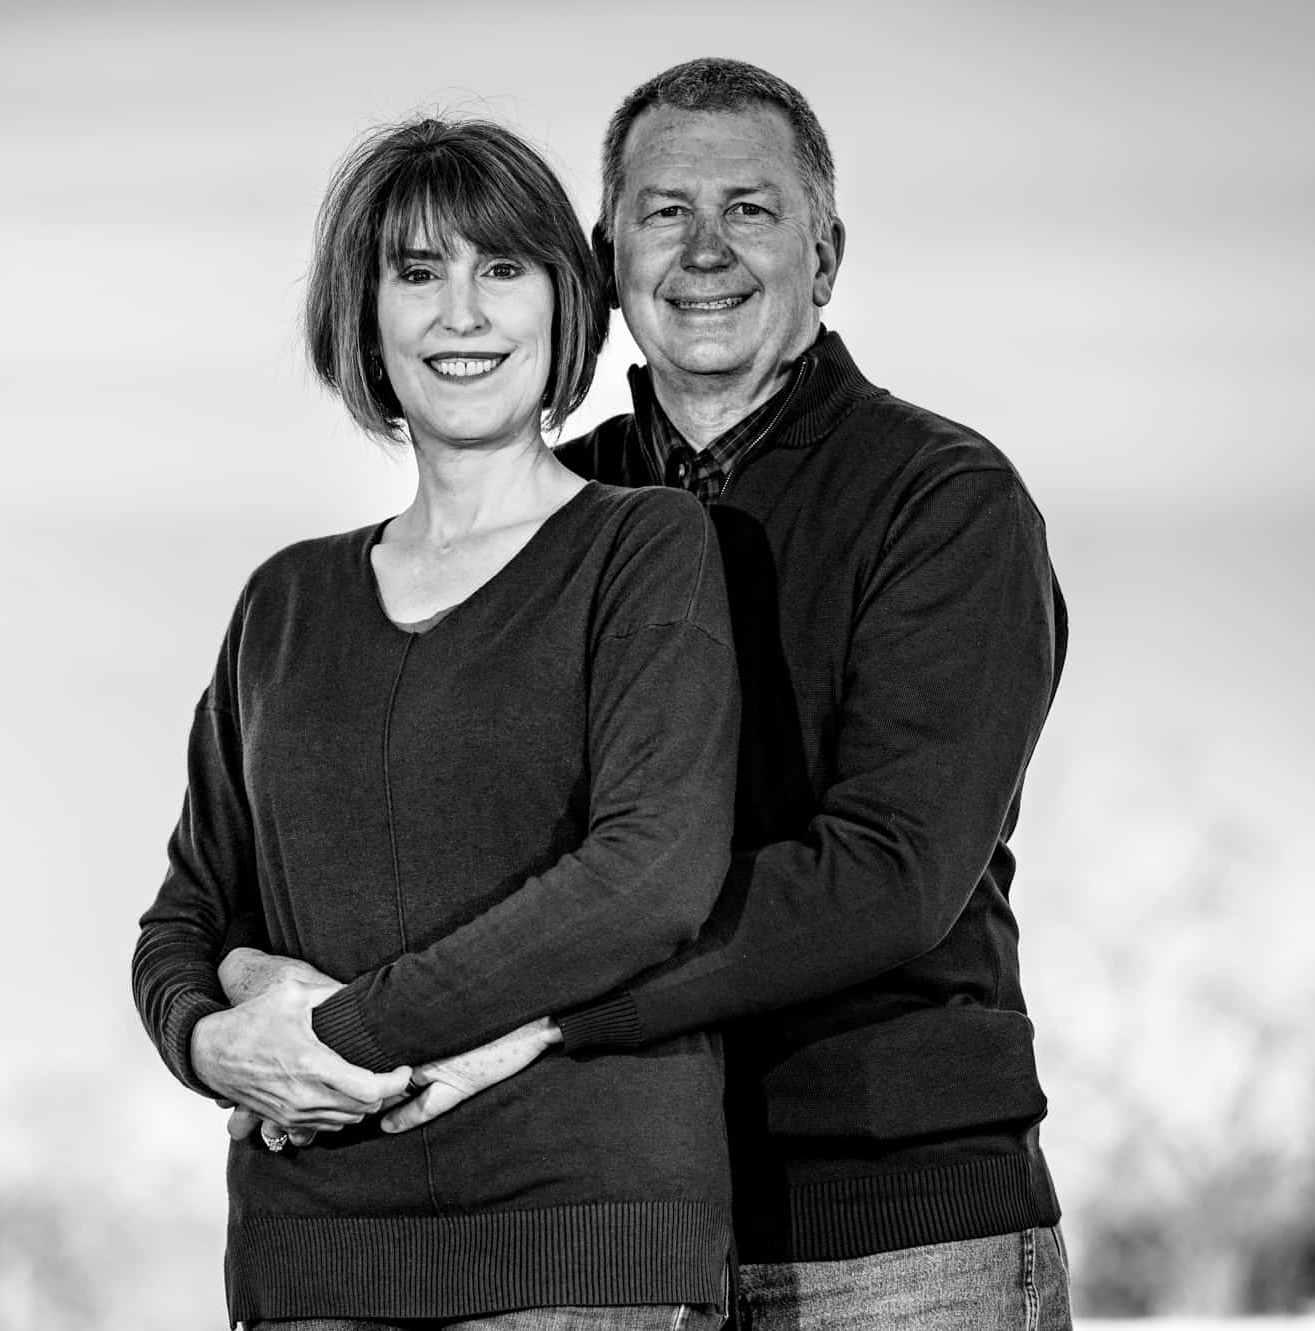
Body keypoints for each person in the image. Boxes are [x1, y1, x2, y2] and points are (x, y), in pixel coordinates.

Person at [221, 59, 1074, 1329]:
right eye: (665, 212)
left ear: (825, 253)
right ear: (604, 253)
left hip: (883, 1228)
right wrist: (260, 1017)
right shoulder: (555, 519)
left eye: (750, 209)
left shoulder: (941, 500)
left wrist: (535, 1018)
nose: (704, 250)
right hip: (606, 1226)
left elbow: (888, 870)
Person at [132, 115, 741, 1328]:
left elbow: (647, 875)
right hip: (308, 1252)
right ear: (365, 319)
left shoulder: (643, 549)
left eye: (500, 268)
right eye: (417, 273)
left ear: (565, 307)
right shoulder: (285, 601)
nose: (460, 313)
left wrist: (343, 1037)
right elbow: (188, 914)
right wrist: (211, 1046)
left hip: (580, 1247)